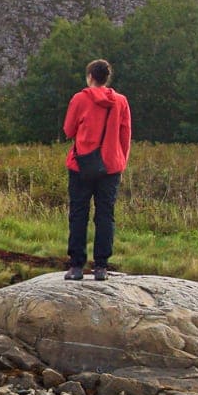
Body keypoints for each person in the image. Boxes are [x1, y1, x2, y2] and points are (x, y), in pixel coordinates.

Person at [63, 59, 131, 281]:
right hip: (111, 167)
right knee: (105, 215)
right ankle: (101, 267)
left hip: (81, 164)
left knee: (78, 213)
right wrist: (121, 161)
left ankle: (76, 267)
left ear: (90, 76)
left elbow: (68, 130)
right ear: (106, 77)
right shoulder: (121, 102)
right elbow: (125, 135)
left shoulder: (80, 99)